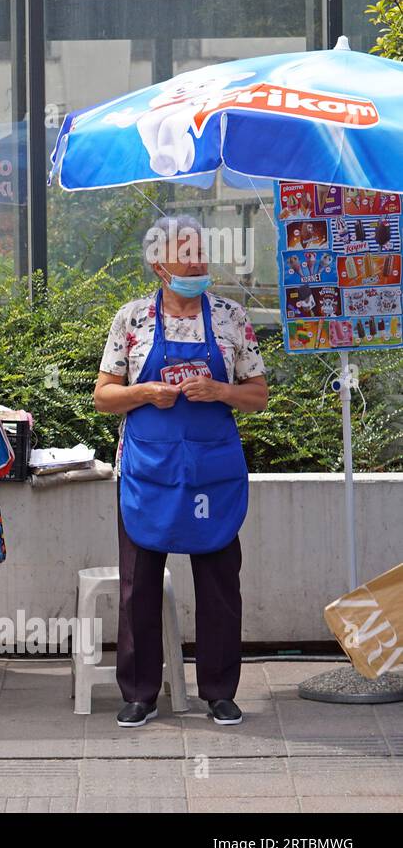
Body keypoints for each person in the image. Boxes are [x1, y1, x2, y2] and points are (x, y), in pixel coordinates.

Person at [94, 215, 268, 729]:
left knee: (219, 584)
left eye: (200, 251)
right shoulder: (132, 321)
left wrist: (221, 391)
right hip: (149, 472)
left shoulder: (233, 318)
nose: (197, 261)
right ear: (158, 263)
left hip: (211, 473)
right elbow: (104, 396)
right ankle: (140, 693)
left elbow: (258, 395)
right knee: (139, 586)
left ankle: (219, 691)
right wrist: (146, 392)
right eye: (185, 252)